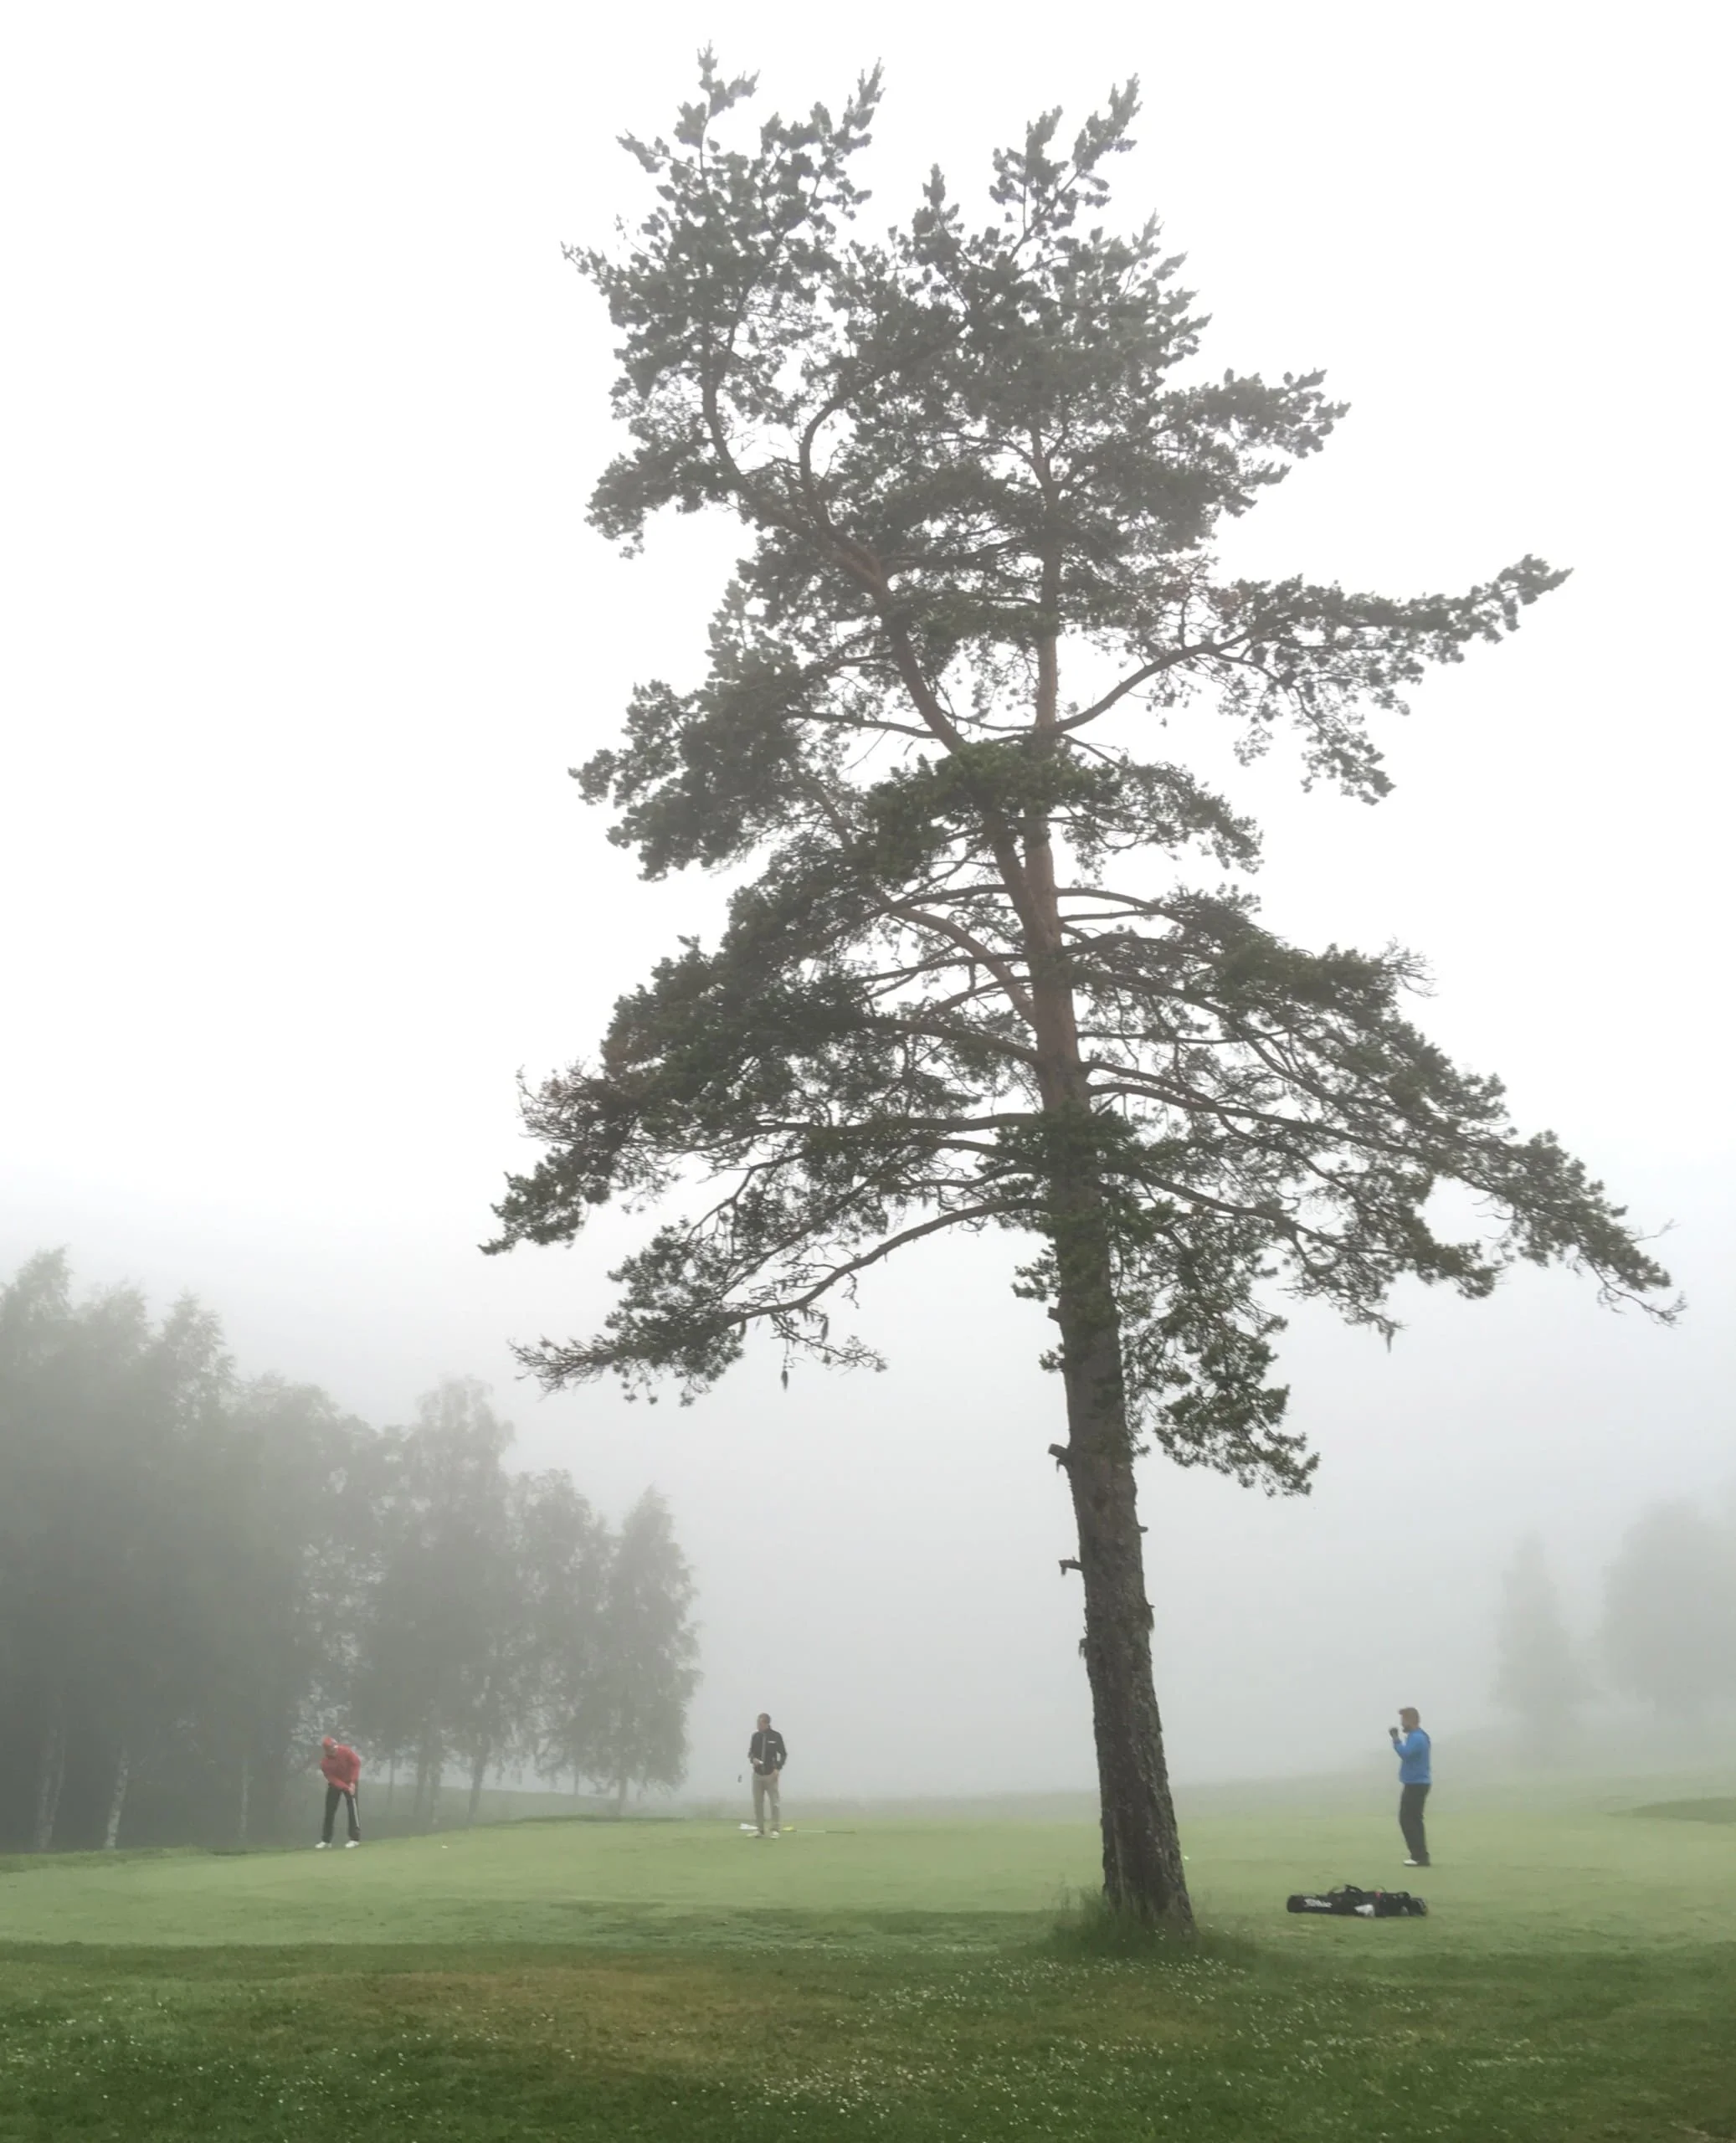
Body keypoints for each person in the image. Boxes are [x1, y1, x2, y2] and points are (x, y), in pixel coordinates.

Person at [1388, 1707, 1431, 1867]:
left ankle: (1419, 1856)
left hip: (1416, 1784)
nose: (1402, 1724)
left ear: (1412, 1720)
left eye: (1404, 1721)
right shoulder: (1417, 1736)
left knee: (1409, 1820)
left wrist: (1395, 1739)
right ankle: (1420, 1855)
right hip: (1416, 1782)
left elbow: (1406, 1754)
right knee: (1412, 1819)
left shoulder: (1417, 1737)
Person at [317, 1735, 362, 1848]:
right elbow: (333, 1779)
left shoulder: (345, 1751)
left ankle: (354, 1839)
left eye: (335, 1748)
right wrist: (346, 1788)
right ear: (327, 1751)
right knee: (330, 1811)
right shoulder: (324, 1764)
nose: (335, 1751)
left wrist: (353, 1782)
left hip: (351, 1781)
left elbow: (356, 1764)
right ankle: (326, 1840)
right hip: (336, 1785)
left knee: (353, 1809)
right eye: (332, 1750)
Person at [747, 1712, 786, 1837]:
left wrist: (778, 1768)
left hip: (771, 1774)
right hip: (758, 1775)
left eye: (760, 1723)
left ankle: (775, 1829)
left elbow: (783, 1754)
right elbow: (751, 1753)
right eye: (757, 1723)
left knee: (774, 1802)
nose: (758, 1725)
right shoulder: (755, 1737)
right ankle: (760, 1829)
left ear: (766, 1723)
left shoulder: (776, 1736)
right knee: (758, 1803)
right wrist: (753, 1759)